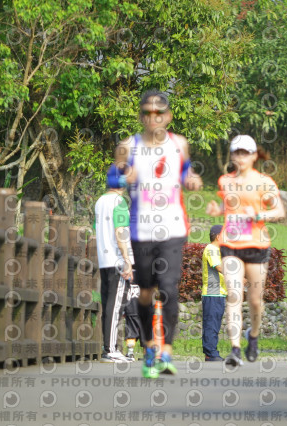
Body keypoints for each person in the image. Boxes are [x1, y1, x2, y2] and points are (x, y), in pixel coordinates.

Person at [110, 89, 203, 378]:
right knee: (148, 292)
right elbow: (112, 177)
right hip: (141, 229)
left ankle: (167, 352)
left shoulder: (179, 144)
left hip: (173, 227)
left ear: (168, 115)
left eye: (159, 113)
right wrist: (124, 177)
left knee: (169, 289)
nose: (154, 118)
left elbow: (186, 171)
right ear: (141, 116)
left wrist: (192, 179)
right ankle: (150, 347)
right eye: (148, 114)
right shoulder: (129, 146)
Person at [206, 135, 285, 367]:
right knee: (233, 295)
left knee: (255, 300)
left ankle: (253, 335)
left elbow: (278, 210)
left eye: (245, 152)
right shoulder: (225, 181)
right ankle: (235, 349)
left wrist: (259, 216)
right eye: (236, 152)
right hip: (231, 244)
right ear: (232, 155)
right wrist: (217, 208)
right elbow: (229, 205)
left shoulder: (264, 181)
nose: (240, 157)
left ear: (253, 156)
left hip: (256, 245)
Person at [95, 176, 135, 363]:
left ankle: (110, 347)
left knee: (110, 304)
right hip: (117, 260)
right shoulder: (119, 202)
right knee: (117, 304)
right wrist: (127, 260)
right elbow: (120, 231)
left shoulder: (100, 201)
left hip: (104, 259)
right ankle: (110, 349)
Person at [201, 225, 227, 362]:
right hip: (212, 293)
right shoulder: (211, 249)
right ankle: (210, 353)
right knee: (211, 324)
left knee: (215, 324)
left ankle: (211, 351)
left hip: (219, 293)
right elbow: (218, 267)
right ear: (218, 236)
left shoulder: (218, 250)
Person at [122, 280, 142, 360]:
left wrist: (123, 310)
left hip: (130, 308)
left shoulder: (125, 278)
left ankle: (130, 353)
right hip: (145, 309)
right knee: (146, 332)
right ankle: (147, 354)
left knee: (131, 331)